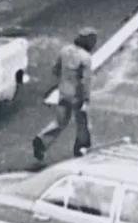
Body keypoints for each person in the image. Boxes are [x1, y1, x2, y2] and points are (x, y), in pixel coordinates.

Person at [33, 27, 98, 163]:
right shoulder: (85, 58)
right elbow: (85, 81)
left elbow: (55, 70)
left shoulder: (64, 50)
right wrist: (85, 100)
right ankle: (81, 148)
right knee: (82, 123)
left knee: (60, 121)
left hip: (63, 92)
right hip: (77, 96)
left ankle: (42, 140)